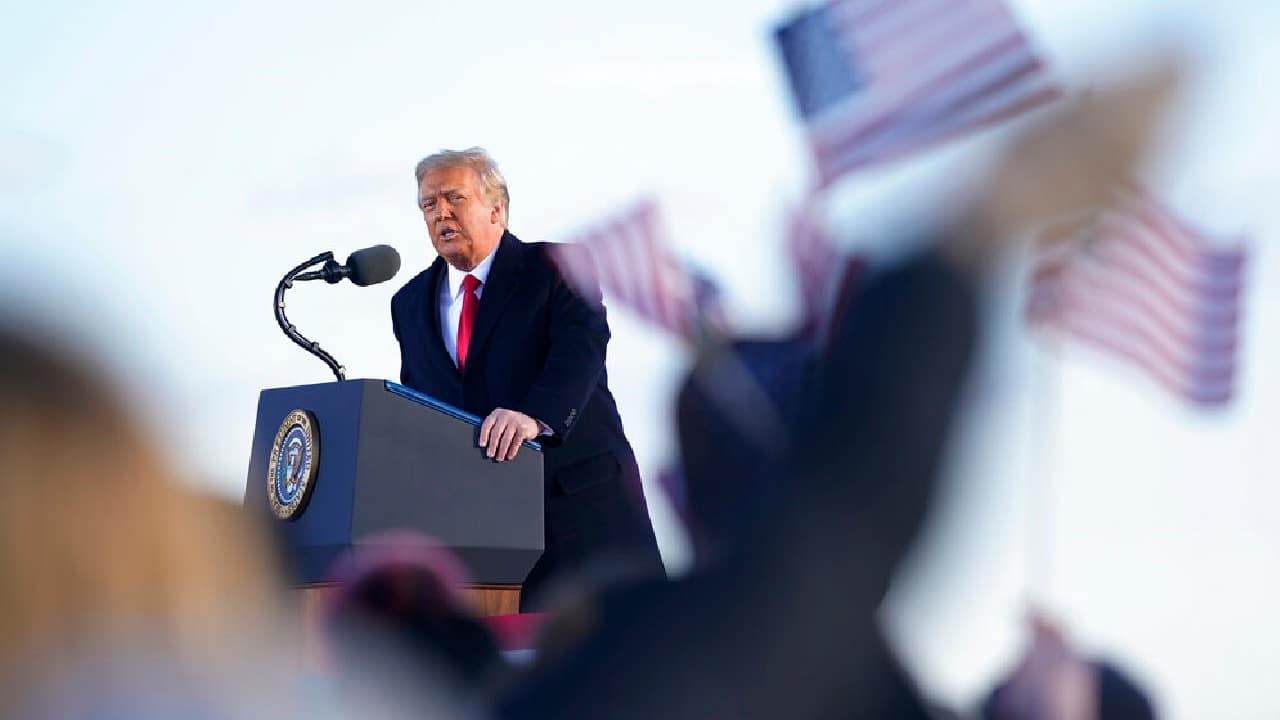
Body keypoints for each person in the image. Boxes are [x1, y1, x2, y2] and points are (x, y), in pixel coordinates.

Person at [390, 147, 664, 610]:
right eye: (428, 204)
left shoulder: (559, 266)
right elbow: (420, 403)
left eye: (454, 198)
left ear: (497, 208)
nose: (441, 214)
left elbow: (582, 349)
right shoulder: (409, 302)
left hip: (580, 511)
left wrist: (534, 417)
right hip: (484, 538)